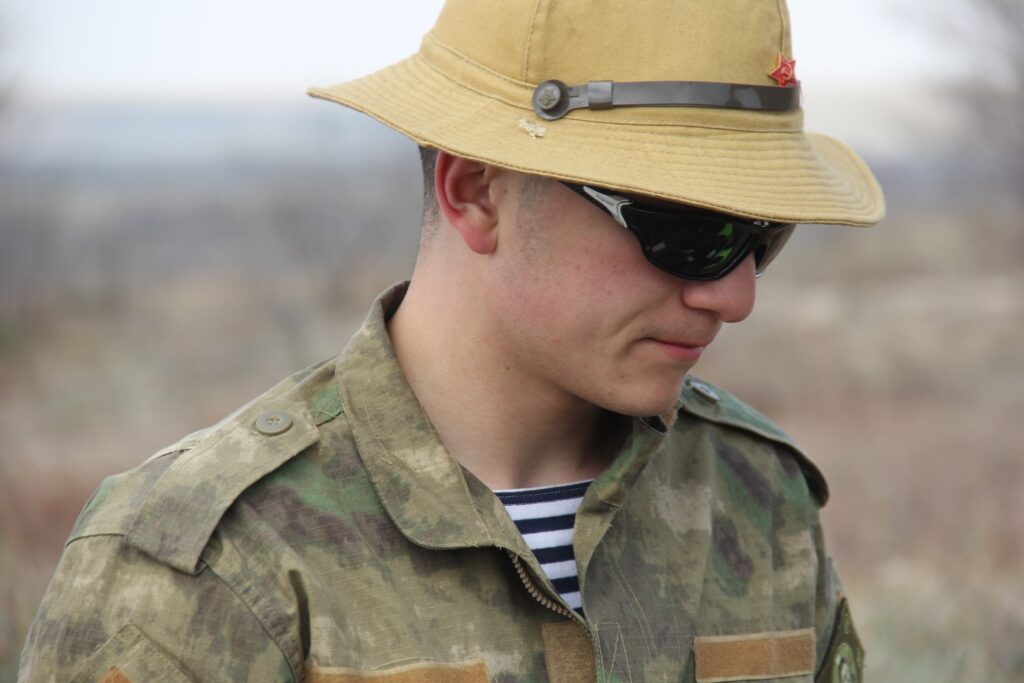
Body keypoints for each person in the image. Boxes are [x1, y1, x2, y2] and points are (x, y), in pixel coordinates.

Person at [19, 0, 883, 681]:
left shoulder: (758, 496)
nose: (734, 294)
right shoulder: (208, 565)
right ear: (476, 193)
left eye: (760, 233)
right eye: (687, 231)